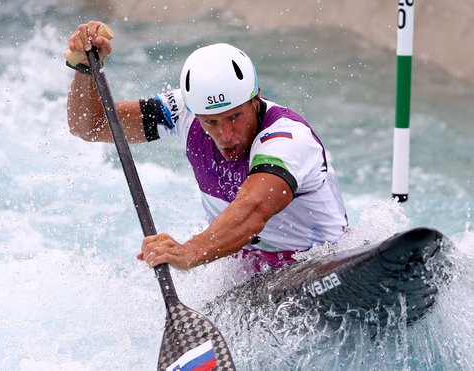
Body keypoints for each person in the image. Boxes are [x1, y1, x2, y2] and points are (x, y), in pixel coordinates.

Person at [66, 21, 348, 271]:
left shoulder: (287, 137)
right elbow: (91, 126)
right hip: (245, 272)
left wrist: (187, 252)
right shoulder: (184, 111)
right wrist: (85, 70)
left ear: (255, 98)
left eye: (234, 117)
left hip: (317, 262)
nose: (225, 134)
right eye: (210, 122)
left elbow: (253, 211)